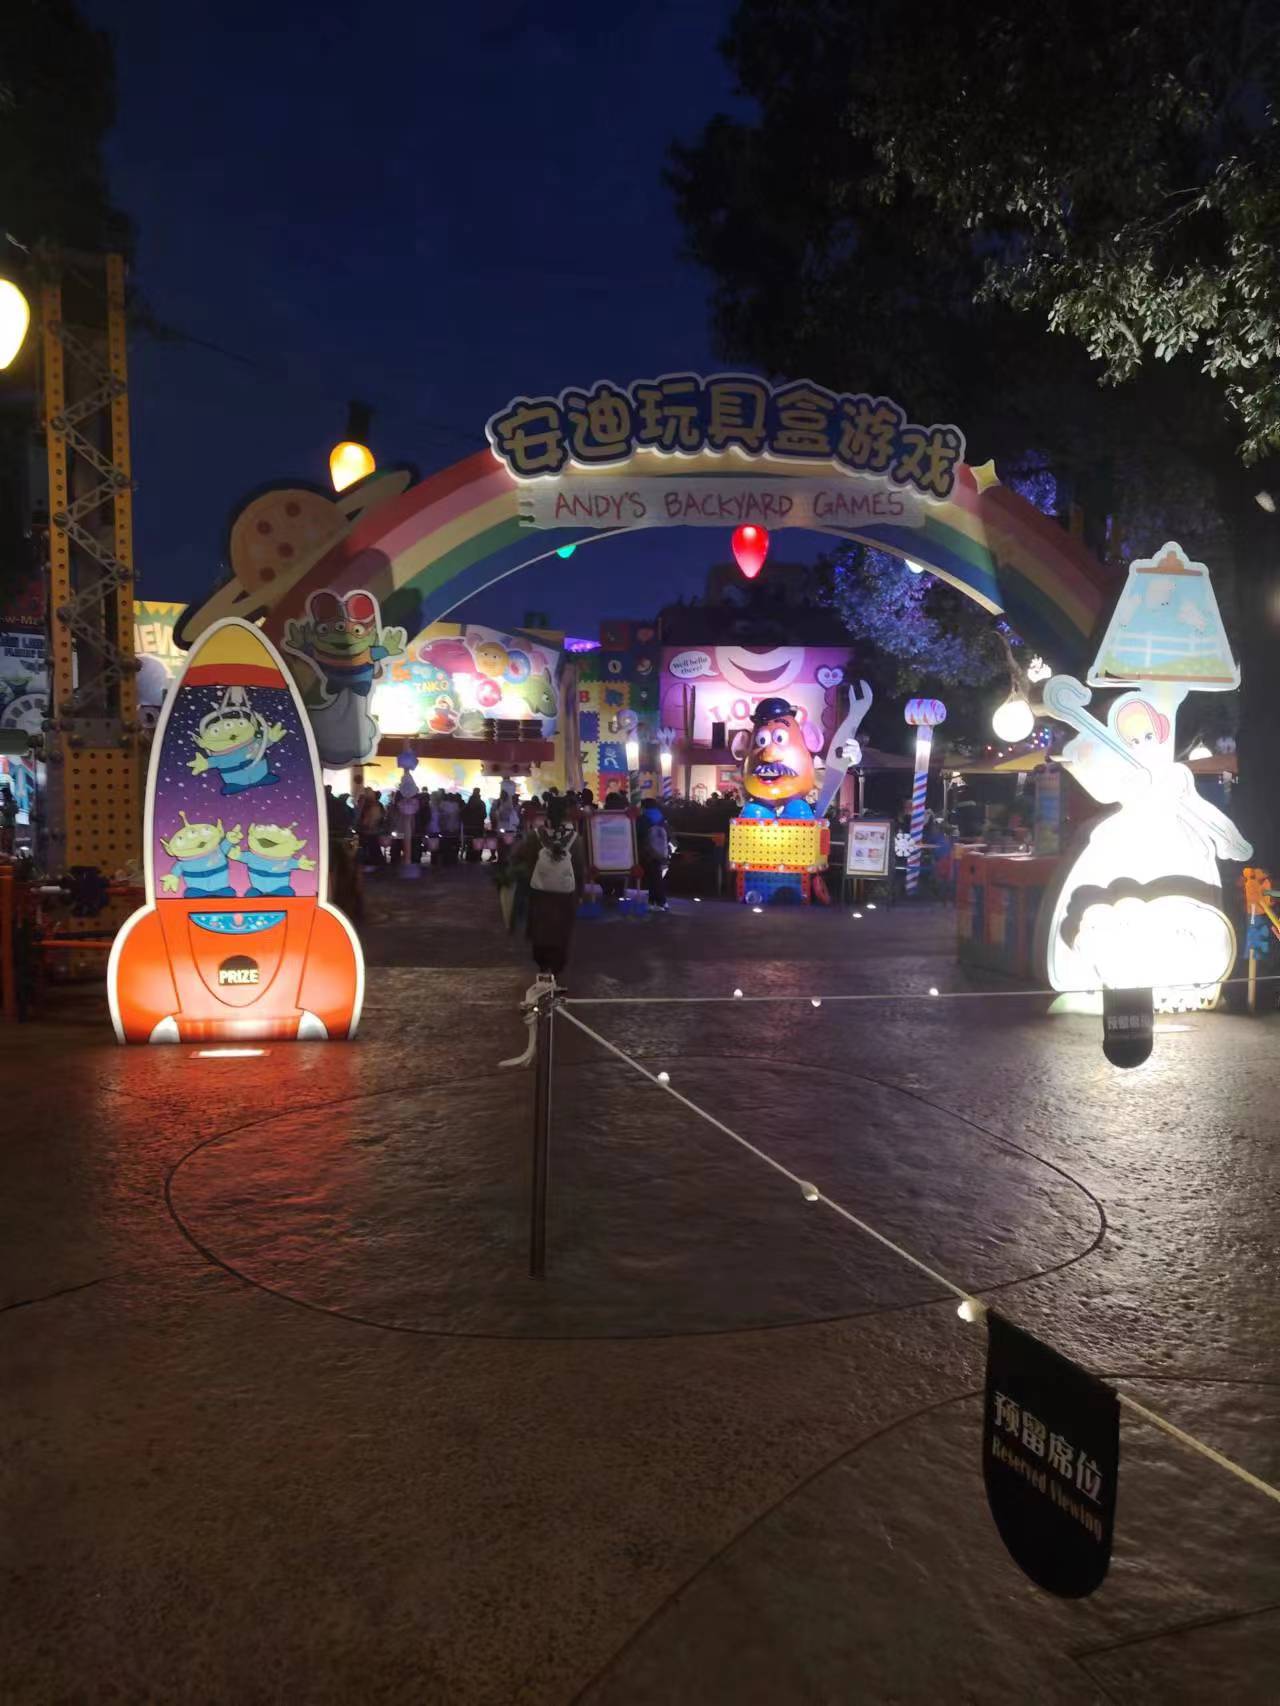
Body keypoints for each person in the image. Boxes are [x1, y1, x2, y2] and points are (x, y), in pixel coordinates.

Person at [518, 798, 584, 982]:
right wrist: (579, 895)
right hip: (565, 896)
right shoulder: (575, 839)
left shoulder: (535, 836)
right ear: (566, 814)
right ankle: (556, 969)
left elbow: (522, 860)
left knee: (541, 929)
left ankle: (543, 965)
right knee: (561, 931)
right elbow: (579, 870)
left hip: (540, 893)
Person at [637, 801, 671, 910]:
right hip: (661, 851)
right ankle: (655, 901)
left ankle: (660, 901)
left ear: (644, 807)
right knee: (656, 875)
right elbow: (669, 834)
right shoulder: (661, 817)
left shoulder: (644, 818)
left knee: (653, 877)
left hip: (648, 852)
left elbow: (639, 834)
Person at [356, 786, 385, 866]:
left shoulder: (368, 804)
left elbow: (362, 817)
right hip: (372, 830)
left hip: (368, 830)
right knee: (373, 847)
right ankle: (374, 863)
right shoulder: (376, 804)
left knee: (369, 847)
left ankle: (369, 863)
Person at [437, 790, 462, 866]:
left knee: (446, 844)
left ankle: (446, 859)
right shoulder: (456, 805)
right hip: (455, 827)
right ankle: (453, 859)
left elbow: (440, 816)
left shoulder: (443, 805)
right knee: (454, 844)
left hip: (445, 828)